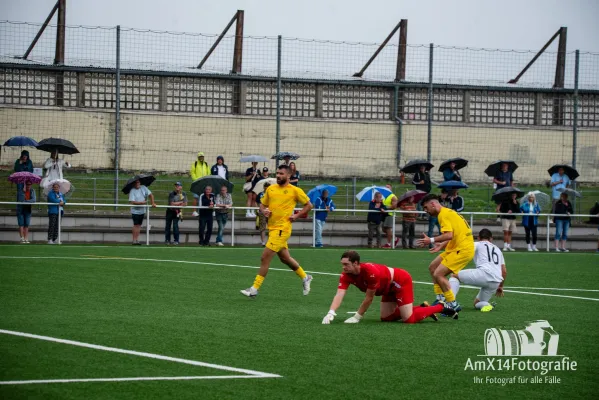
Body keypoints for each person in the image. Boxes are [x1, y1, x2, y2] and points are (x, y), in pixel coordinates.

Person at [321, 250, 458, 325]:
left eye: (346, 264)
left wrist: (357, 317)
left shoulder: (370, 272)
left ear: (356, 263)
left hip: (400, 281)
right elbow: (339, 294)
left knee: (408, 320)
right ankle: (422, 308)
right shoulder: (346, 275)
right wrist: (331, 312)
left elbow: (369, 298)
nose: (343, 267)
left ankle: (440, 306)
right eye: (342, 264)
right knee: (386, 318)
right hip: (386, 288)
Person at [240, 165, 313, 298]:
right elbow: (262, 204)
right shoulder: (271, 189)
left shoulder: (295, 190)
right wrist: (264, 210)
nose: (278, 176)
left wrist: (296, 216)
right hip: (272, 228)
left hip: (282, 229)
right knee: (285, 258)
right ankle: (305, 277)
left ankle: (254, 289)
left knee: (265, 257)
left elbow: (309, 205)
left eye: (281, 173)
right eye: (277, 173)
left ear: (288, 176)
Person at [416, 194, 475, 312]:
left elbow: (449, 235)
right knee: (433, 267)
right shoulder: (447, 212)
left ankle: (452, 304)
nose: (426, 211)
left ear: (433, 204)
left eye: (426, 208)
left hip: (463, 250)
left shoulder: (443, 215)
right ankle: (440, 298)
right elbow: (454, 234)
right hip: (455, 248)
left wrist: (431, 240)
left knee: (439, 274)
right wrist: (441, 245)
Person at [449, 229, 506, 312]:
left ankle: (450, 304)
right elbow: (504, 271)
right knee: (477, 303)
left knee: (454, 276)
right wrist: (500, 286)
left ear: (478, 238)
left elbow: (463, 250)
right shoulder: (498, 250)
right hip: (496, 281)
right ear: (491, 238)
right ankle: (486, 304)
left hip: (484, 274)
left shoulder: (477, 244)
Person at [128, 179, 156, 245]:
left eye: (138, 182)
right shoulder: (132, 190)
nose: (137, 183)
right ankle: (134, 240)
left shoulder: (144, 187)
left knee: (139, 225)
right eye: (136, 182)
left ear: (140, 182)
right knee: (136, 225)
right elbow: (132, 202)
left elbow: (151, 195)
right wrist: (141, 203)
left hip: (142, 210)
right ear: (134, 184)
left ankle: (137, 240)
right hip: (135, 211)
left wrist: (153, 203)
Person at [257, 182, 271, 246]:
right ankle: (263, 242)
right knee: (262, 227)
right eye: (266, 187)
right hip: (262, 212)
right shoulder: (261, 194)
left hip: (270, 212)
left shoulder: (272, 194)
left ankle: (270, 241)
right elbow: (258, 202)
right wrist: (261, 210)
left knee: (271, 227)